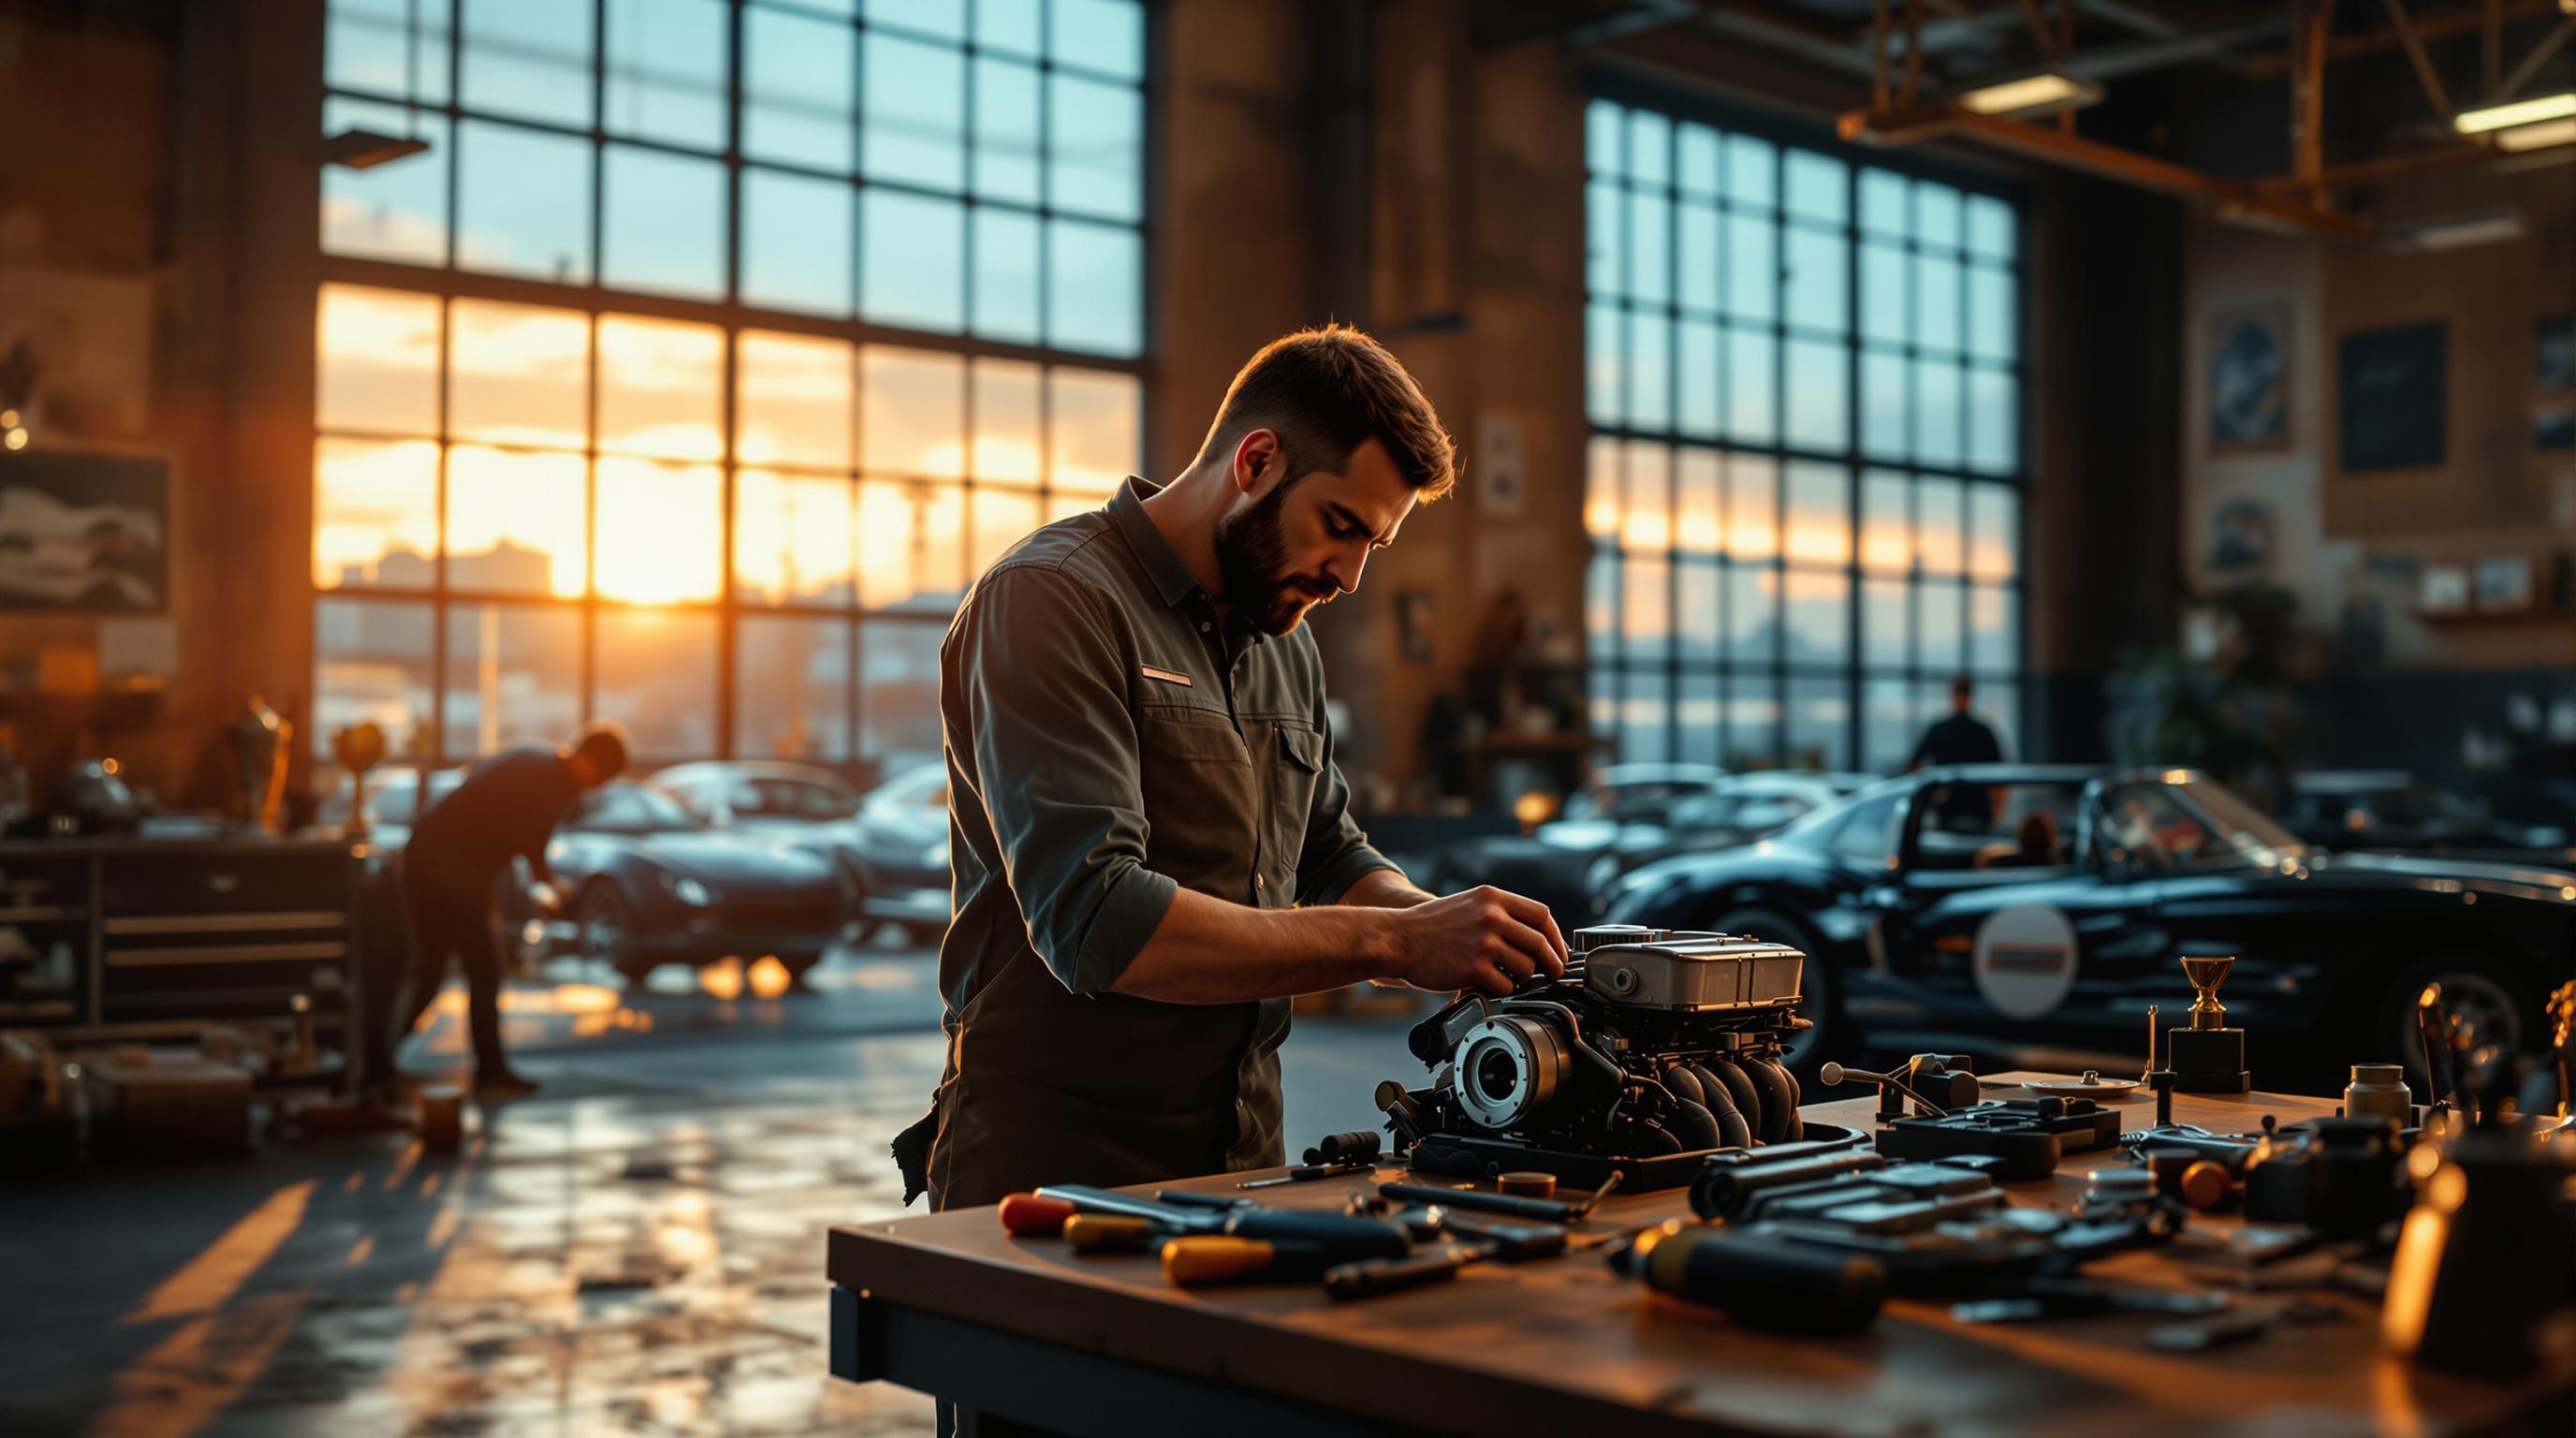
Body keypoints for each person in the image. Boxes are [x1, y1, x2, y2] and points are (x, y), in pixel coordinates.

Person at [898, 326, 1570, 1211]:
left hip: (1243, 1162)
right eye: (1339, 527)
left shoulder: (1282, 642)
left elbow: (1330, 853)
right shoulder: (1052, 601)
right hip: (1050, 1176)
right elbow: (1096, 920)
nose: (1351, 576)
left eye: (1374, 543)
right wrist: (1396, 943)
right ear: (1255, 461)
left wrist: (1447, 926)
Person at [380, 724, 628, 1098]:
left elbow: (496, 828)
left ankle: (378, 1062)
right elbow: (528, 843)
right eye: (601, 777)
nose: (596, 787)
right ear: (590, 763)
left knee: (435, 967)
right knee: (481, 969)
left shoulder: (535, 757)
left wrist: (505, 888)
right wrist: (548, 890)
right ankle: (483, 1070)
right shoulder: (551, 782)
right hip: (447, 869)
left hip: (435, 860)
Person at [1910, 674, 2005, 832]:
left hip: (1957, 806)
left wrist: (1927, 800)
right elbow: (2000, 780)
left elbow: (1914, 766)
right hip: (1969, 806)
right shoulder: (1983, 731)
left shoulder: (1941, 729)